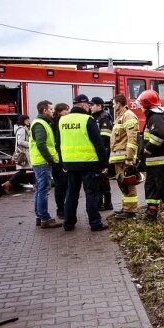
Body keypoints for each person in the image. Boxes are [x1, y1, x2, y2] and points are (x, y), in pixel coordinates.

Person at [59, 94, 108, 232]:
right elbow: (99, 144)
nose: (90, 107)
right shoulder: (88, 119)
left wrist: (62, 162)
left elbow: (59, 142)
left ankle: (68, 223)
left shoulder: (62, 120)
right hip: (88, 163)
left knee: (71, 194)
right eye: (88, 104)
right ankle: (95, 223)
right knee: (91, 193)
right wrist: (104, 164)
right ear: (83, 104)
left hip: (69, 163)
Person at [138, 90, 164, 223]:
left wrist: (148, 148)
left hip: (161, 161)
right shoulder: (154, 116)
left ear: (147, 104)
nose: (141, 107)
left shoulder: (155, 117)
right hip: (154, 162)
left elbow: (159, 134)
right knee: (151, 187)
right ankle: (152, 211)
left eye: (142, 105)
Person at [29, 100, 62, 229]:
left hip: (39, 161)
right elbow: (41, 144)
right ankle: (45, 218)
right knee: (44, 190)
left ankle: (39, 216)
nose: (53, 112)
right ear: (44, 110)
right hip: (42, 162)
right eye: (51, 109)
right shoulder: (40, 124)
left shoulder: (41, 123)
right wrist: (49, 159)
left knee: (39, 189)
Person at [109, 95, 140, 219]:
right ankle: (126, 207)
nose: (112, 106)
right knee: (123, 183)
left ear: (119, 103)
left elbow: (132, 139)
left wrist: (129, 158)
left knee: (128, 184)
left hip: (124, 158)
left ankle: (130, 211)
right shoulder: (120, 117)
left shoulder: (128, 116)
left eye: (113, 103)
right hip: (119, 158)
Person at [90, 96, 114, 211]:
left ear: (99, 105)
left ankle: (107, 203)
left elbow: (105, 138)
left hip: (103, 152)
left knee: (103, 178)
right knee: (99, 179)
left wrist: (102, 154)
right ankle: (100, 203)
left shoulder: (103, 118)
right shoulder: (96, 117)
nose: (91, 107)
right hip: (99, 152)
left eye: (92, 105)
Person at [2, 115, 31, 194]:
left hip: (24, 153)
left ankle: (8, 184)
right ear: (23, 121)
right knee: (30, 170)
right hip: (24, 153)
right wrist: (31, 144)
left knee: (23, 171)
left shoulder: (23, 128)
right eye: (27, 120)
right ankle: (8, 183)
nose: (29, 121)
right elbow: (20, 142)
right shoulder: (22, 129)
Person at [51, 103, 70, 219]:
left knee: (65, 186)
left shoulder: (61, 122)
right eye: (65, 110)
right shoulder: (56, 124)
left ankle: (63, 209)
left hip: (64, 158)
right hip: (59, 160)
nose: (67, 112)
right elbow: (57, 143)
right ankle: (61, 209)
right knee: (60, 186)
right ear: (59, 112)